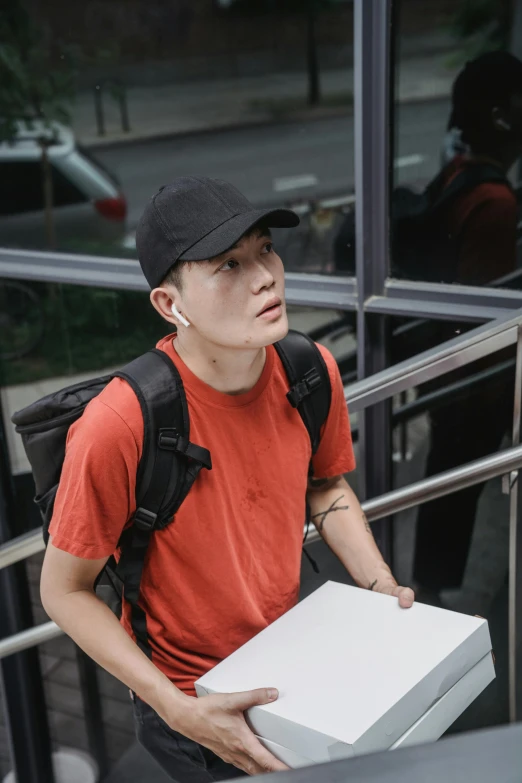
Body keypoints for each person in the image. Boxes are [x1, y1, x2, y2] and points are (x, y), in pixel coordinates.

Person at [40, 176, 414, 782]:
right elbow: (63, 590)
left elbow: (324, 484)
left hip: (293, 667)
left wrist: (378, 584)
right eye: (229, 265)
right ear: (169, 304)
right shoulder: (120, 423)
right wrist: (178, 710)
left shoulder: (307, 369)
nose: (266, 275)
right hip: (194, 700)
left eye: (265, 249)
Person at [412, 52, 522, 603]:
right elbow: (488, 305)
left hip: (446, 369)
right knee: (455, 489)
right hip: (477, 383)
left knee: (447, 487)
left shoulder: (460, 174)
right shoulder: (497, 201)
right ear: (502, 116)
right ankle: (429, 595)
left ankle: (429, 588)